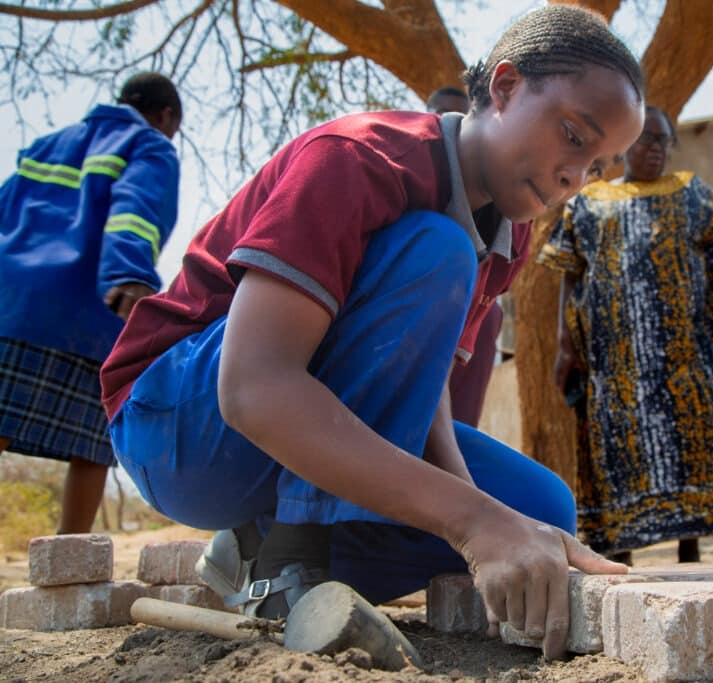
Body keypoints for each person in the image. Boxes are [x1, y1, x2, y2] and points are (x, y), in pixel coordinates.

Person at [99, 5, 644, 659]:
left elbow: (421, 389)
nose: (574, 177)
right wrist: (469, 523)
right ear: (504, 88)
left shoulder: (509, 234)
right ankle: (292, 557)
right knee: (437, 249)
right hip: (178, 424)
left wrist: (486, 515)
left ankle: (256, 550)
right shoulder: (358, 158)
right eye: (574, 136)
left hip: (276, 440)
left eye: (598, 166)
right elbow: (249, 388)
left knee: (540, 512)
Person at [539, 105, 713, 566]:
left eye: (664, 141)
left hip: (685, 353)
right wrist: (565, 343)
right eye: (647, 140)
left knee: (688, 438)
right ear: (625, 146)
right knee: (616, 441)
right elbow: (570, 272)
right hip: (615, 357)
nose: (657, 150)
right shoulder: (589, 200)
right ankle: (620, 549)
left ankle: (690, 548)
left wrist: (702, 278)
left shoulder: (691, 193)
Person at [0, 72, 181, 534]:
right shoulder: (150, 145)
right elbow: (135, 209)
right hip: (79, 311)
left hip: (9, 302)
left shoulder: (49, 143)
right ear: (165, 116)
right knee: (92, 445)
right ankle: (68, 565)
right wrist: (130, 276)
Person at [426, 85, 515, 427]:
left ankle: (457, 432)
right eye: (442, 115)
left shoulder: (509, 223)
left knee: (489, 314)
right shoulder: (402, 178)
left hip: (444, 357)